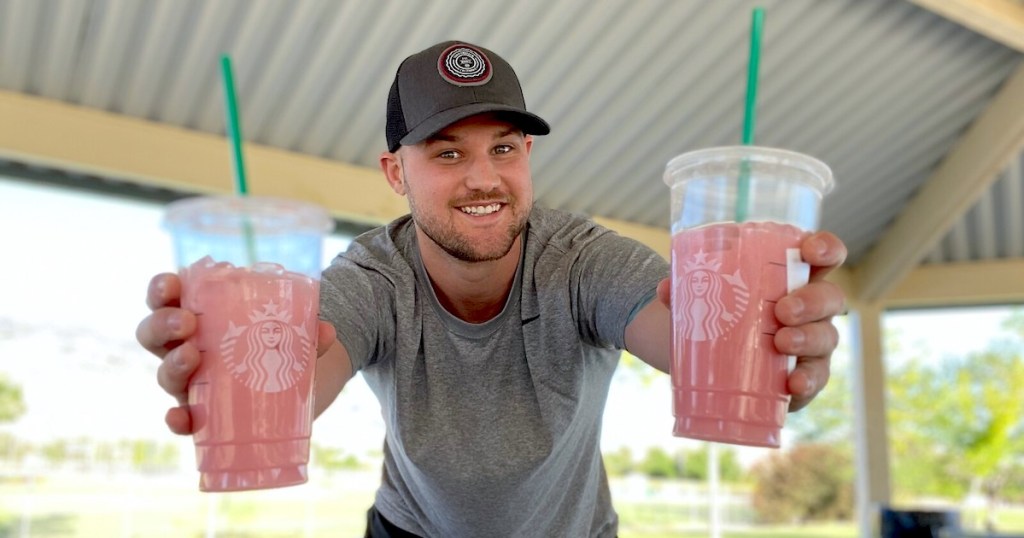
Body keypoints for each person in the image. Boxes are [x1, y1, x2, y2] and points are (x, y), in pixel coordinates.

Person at [136, 41, 847, 537]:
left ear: (527, 155)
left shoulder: (581, 259)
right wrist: (226, 367)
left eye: (502, 148)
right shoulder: (373, 276)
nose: (484, 178)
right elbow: (301, 378)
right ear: (395, 173)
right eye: (448, 153)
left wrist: (773, 347)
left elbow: (687, 337)